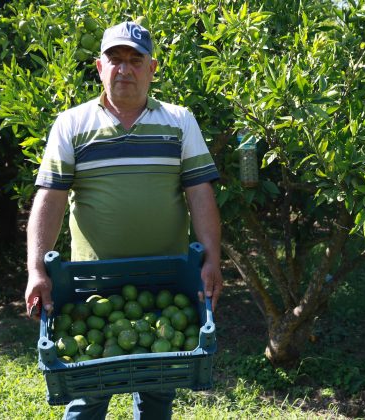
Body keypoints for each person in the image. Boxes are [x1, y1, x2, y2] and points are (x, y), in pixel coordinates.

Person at [24, 20, 223, 420]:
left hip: (165, 278)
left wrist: (212, 260)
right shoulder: (72, 124)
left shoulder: (180, 122)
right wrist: (35, 269)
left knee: (158, 388)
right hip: (93, 282)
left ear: (152, 69)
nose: (125, 69)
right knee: (88, 392)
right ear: (100, 68)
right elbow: (50, 199)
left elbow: (200, 194)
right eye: (115, 59)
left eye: (135, 59)